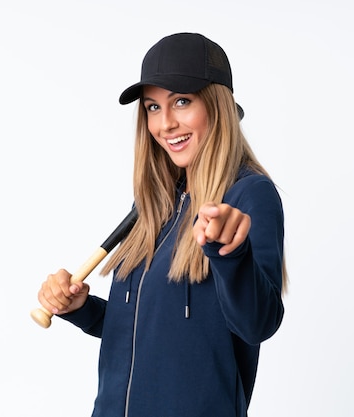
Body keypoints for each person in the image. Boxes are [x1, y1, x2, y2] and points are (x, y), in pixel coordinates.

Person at [37, 32, 286, 417]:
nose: (166, 123)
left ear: (217, 106)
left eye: (181, 102)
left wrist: (231, 255)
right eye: (152, 107)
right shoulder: (158, 202)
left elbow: (258, 324)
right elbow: (154, 330)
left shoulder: (249, 195)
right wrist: (82, 308)